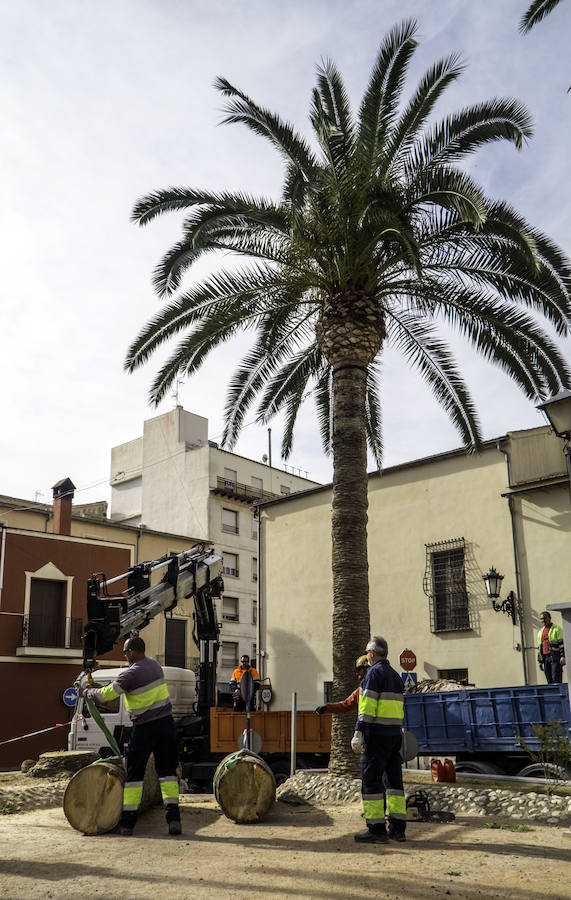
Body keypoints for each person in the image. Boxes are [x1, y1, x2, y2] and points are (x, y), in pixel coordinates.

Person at [85, 635, 182, 836]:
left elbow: (106, 696)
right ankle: (173, 820)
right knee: (167, 774)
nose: (125, 655)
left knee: (134, 775)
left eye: (126, 651)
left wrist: (87, 692)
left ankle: (128, 824)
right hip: (166, 725)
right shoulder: (155, 666)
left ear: (132, 651)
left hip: (144, 728)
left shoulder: (130, 675)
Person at [352, 635, 406, 844]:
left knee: (371, 781)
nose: (366, 657)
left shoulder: (373, 674)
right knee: (393, 783)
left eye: (367, 653)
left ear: (372, 654)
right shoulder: (395, 675)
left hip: (377, 737)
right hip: (394, 736)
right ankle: (398, 829)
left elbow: (367, 707)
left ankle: (376, 830)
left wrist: (359, 732)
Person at [537, 611, 565, 684]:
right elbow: (540, 647)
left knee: (556, 677)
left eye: (544, 618)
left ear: (549, 618)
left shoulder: (557, 629)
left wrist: (562, 656)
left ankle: (559, 694)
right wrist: (540, 661)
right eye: (541, 619)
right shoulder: (540, 631)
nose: (542, 620)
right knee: (549, 679)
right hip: (545, 658)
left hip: (555, 656)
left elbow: (561, 644)